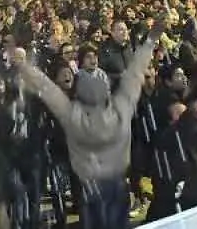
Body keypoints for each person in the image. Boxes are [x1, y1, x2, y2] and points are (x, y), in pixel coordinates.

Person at [11, 16, 166, 229]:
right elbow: (135, 72)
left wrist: (151, 40)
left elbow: (47, 88)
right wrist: (152, 39)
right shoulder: (105, 108)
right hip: (100, 187)